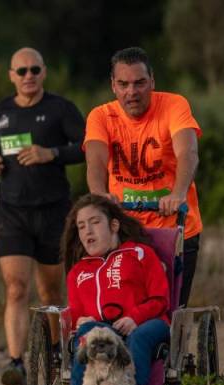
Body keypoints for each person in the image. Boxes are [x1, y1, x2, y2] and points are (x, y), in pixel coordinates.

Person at [0, 47, 86, 385]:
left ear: (44, 72)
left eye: (34, 70)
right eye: (21, 71)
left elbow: (86, 145)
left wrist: (52, 153)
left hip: (53, 210)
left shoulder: (60, 109)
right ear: (10, 75)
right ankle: (16, 364)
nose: (28, 76)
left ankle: (57, 354)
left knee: (50, 290)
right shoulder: (1, 111)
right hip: (12, 211)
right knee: (16, 287)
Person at [36, 194, 170, 385]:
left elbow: (160, 298)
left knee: (139, 336)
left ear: (114, 225)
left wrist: (135, 317)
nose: (87, 231)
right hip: (104, 331)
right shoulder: (78, 272)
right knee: (89, 331)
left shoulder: (140, 253)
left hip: (149, 323)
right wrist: (82, 321)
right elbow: (76, 313)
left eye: (94, 222)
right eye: (82, 226)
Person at [85, 46, 202, 307]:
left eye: (139, 83)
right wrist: (99, 194)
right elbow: (95, 160)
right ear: (113, 86)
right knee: (121, 302)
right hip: (126, 228)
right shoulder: (101, 116)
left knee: (169, 306)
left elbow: (188, 153)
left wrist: (178, 193)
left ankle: (169, 345)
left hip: (175, 226)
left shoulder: (174, 105)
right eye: (123, 84)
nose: (132, 92)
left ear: (152, 81)